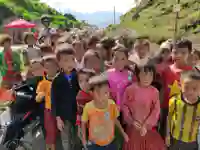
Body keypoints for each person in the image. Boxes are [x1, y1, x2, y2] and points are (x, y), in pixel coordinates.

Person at [122, 64, 165, 150]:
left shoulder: (154, 91)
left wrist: (146, 124)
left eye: (150, 75)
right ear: (138, 74)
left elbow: (156, 110)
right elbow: (124, 106)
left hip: (148, 129)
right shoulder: (130, 89)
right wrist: (131, 121)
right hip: (133, 128)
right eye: (144, 74)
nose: (147, 78)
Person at [81, 74, 129, 150]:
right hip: (94, 144)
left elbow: (115, 119)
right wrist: (83, 139)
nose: (102, 97)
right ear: (91, 93)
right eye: (98, 93)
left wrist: (123, 133)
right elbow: (83, 123)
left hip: (110, 143)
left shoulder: (112, 104)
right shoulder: (88, 107)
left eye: (106, 93)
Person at [159, 39, 193, 138]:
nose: (179, 55)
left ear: (189, 53)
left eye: (183, 52)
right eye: (175, 52)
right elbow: (162, 89)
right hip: (166, 109)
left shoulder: (193, 72)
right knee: (164, 135)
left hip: (185, 110)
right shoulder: (166, 70)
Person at [51, 45, 80, 150]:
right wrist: (58, 118)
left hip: (77, 113)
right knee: (65, 138)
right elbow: (54, 101)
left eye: (72, 59)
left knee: (78, 137)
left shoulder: (78, 76)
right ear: (59, 63)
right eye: (65, 60)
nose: (70, 63)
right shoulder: (57, 80)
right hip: (63, 115)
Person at [167, 70, 200, 150]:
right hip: (174, 139)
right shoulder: (174, 101)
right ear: (180, 86)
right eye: (186, 87)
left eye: (194, 88)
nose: (190, 91)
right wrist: (167, 135)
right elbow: (169, 118)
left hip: (192, 142)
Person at [36, 55, 59, 150]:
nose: (50, 69)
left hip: (60, 109)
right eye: (47, 67)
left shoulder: (60, 80)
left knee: (61, 131)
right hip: (49, 110)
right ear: (44, 68)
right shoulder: (43, 83)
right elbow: (37, 98)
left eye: (53, 66)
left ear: (57, 67)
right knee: (50, 131)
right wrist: (41, 96)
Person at [76, 69, 95, 139]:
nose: (83, 84)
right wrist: (79, 126)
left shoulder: (95, 93)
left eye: (87, 80)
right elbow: (79, 112)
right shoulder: (81, 97)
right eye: (80, 81)